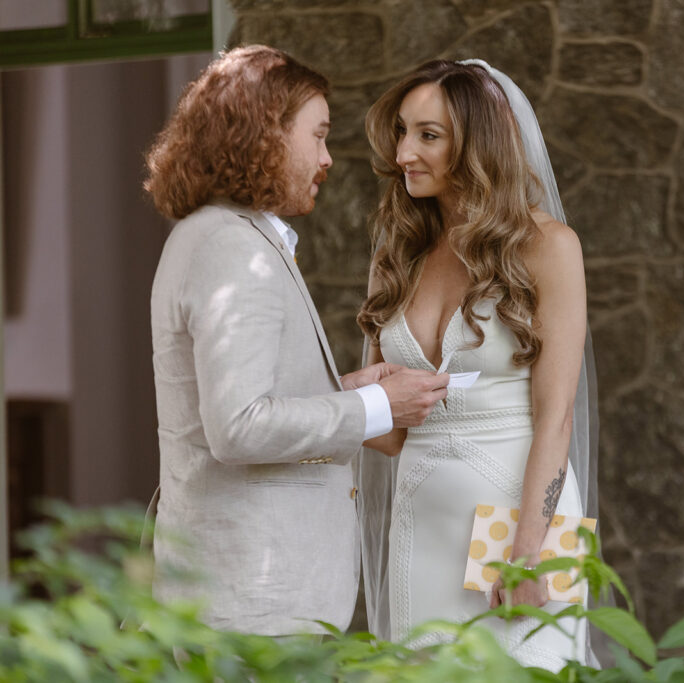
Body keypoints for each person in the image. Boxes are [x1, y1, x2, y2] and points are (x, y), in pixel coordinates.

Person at [144, 45, 449, 637]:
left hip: (248, 600)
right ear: (266, 136)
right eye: (319, 135)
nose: (328, 158)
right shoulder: (230, 248)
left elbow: (249, 397)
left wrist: (346, 387)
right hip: (254, 607)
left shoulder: (221, 236)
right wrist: (379, 408)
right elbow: (238, 426)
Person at [355, 59, 599, 671]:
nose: (404, 151)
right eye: (403, 132)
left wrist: (528, 553)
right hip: (422, 523)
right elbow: (387, 434)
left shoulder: (549, 247)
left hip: (522, 524)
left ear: (477, 144)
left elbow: (556, 416)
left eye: (428, 135)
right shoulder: (399, 253)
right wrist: (339, 396)